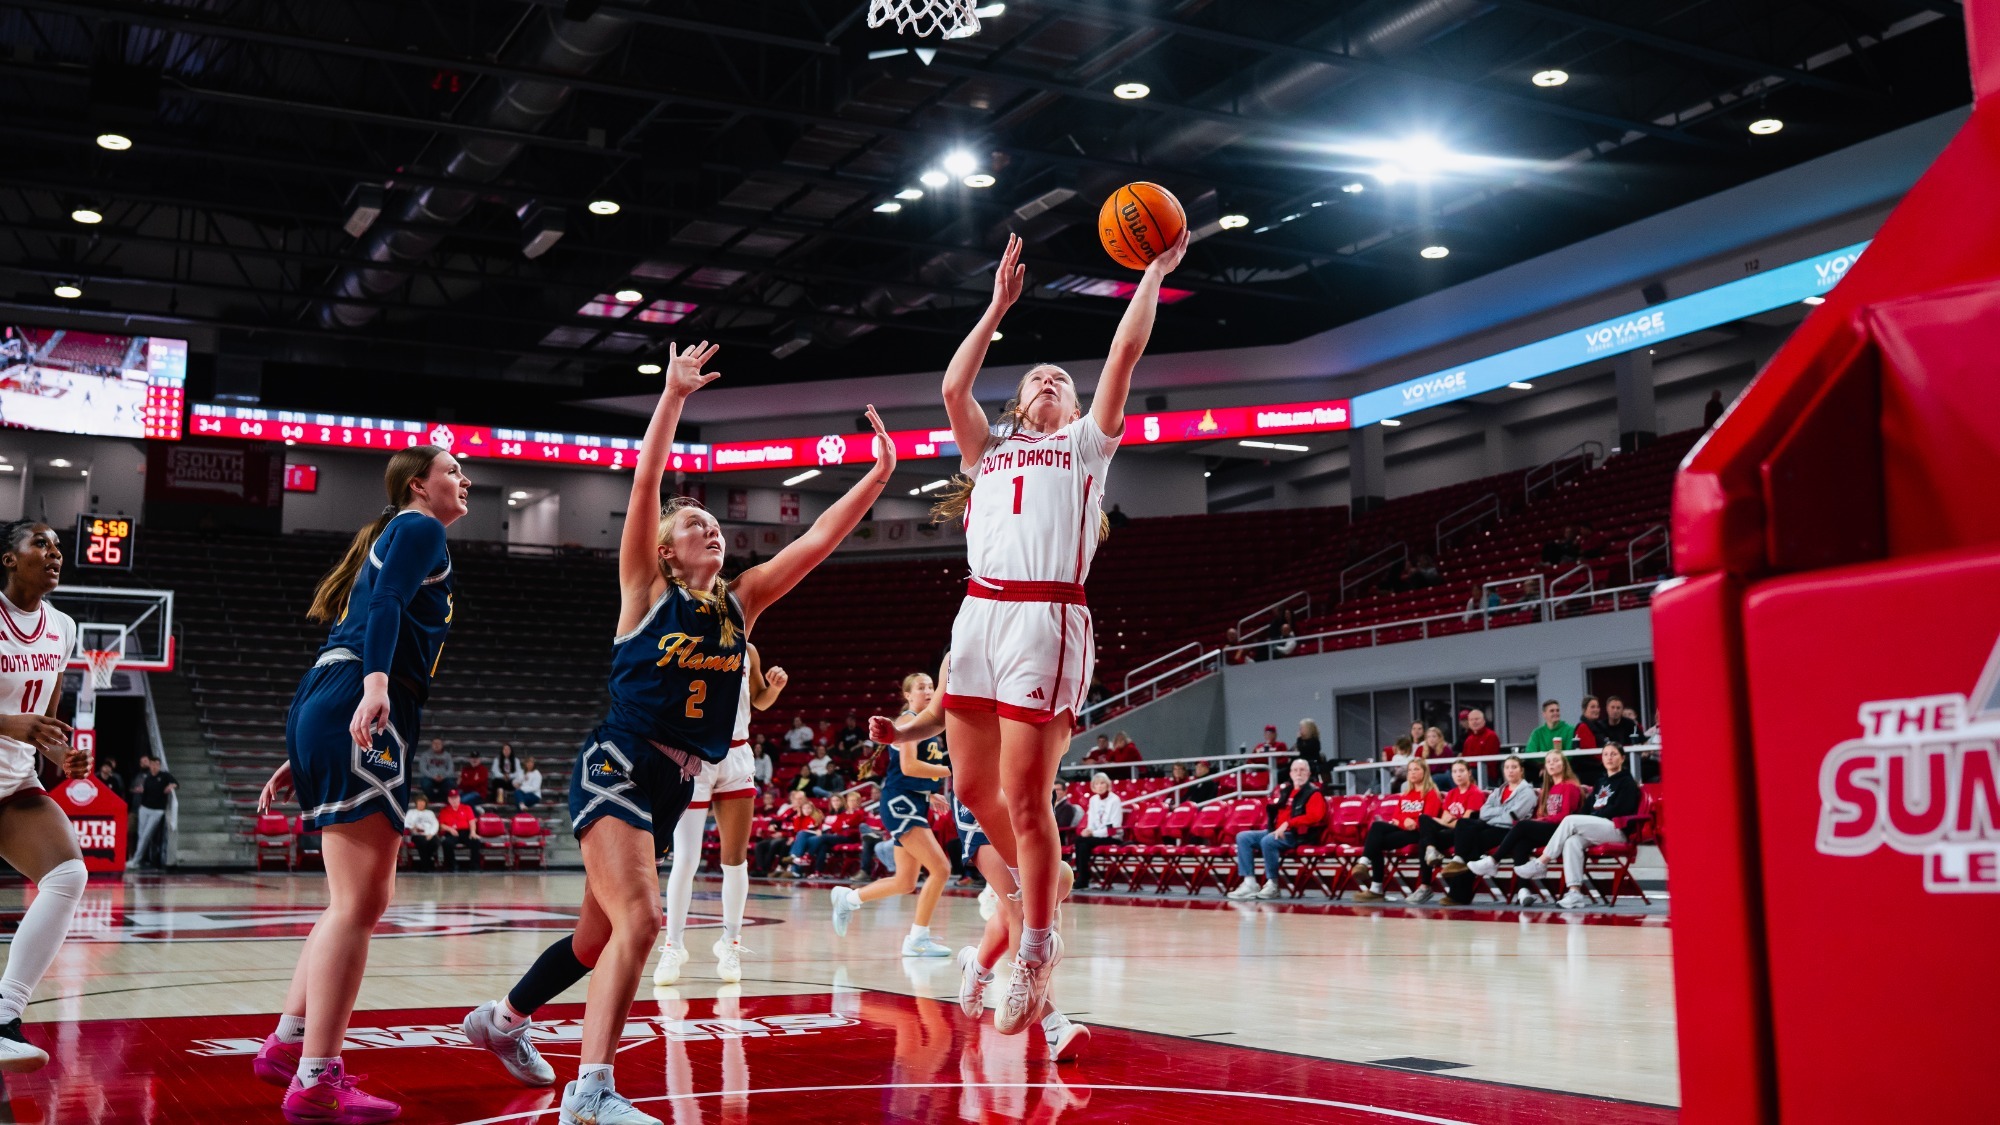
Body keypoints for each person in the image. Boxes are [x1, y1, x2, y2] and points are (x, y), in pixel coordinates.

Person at [464, 342, 895, 1125]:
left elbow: (817, 541)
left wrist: (876, 476)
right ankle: (589, 1095)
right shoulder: (643, 585)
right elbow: (647, 482)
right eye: (697, 526)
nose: (714, 532)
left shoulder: (741, 603)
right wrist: (671, 398)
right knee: (644, 922)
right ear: (666, 548)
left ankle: (502, 1019)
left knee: (595, 941)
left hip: (676, 780)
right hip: (618, 762)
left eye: (717, 525)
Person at [931, 228, 1185, 1036]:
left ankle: (1036, 946)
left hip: (1047, 616)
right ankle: (1032, 887)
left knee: (1023, 796)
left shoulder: (1084, 447)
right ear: (1020, 402)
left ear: (1075, 410)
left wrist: (1149, 274)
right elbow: (950, 389)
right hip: (977, 612)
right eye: (1036, 378)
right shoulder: (991, 449)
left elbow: (1124, 354)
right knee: (973, 791)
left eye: (1059, 381)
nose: (1048, 382)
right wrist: (997, 307)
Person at [249, 441, 469, 1120]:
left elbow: (371, 613)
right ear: (416, 486)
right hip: (362, 696)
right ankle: (317, 1077)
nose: (463, 481)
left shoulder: (394, 533)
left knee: (351, 897)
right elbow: (388, 608)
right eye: (452, 472)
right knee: (362, 902)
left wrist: (313, 738)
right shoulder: (420, 526)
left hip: (329, 701)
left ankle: (290, 1042)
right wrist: (373, 688)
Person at [0, 520, 92, 1071]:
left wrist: (61, 755)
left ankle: (4, 1015)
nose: (55, 552)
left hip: (13, 783)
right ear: (10, 559)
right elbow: (21, 721)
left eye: (58, 546)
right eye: (41, 544)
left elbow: (49, 723)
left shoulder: (63, 626)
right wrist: (12, 725)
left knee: (68, 873)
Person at [655, 642, 786, 986]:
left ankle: (730, 942)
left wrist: (773, 689)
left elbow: (758, 700)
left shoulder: (750, 650)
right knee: (685, 859)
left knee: (735, 860)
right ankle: (673, 945)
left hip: (737, 755)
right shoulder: (682, 645)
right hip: (694, 756)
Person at [833, 671, 954, 957]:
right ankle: (917, 939)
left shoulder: (929, 726)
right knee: (941, 869)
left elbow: (909, 771)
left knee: (905, 882)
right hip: (901, 804)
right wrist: (954, 771)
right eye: (921, 687)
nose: (928, 691)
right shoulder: (908, 722)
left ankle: (848, 899)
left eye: (931, 686)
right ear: (908, 695)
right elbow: (910, 767)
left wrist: (930, 791)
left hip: (914, 800)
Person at [1512, 743, 1642, 909]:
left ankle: (1542, 862)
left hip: (1616, 828)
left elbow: (1621, 808)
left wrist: (1592, 817)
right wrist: (1589, 817)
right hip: (1597, 827)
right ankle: (1575, 893)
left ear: (1622, 758)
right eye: (1606, 754)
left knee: (1570, 820)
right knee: (1571, 841)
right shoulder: (1601, 780)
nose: (1609, 758)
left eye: (1614, 754)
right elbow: (1587, 807)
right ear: (1601, 759)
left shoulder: (1627, 782)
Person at [1466, 750, 1586, 890]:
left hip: (1562, 830)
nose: (1552, 764)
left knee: (1522, 826)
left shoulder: (1570, 787)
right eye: (1549, 762)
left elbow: (1564, 817)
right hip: (1550, 828)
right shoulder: (1550, 788)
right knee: (1521, 843)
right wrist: (1541, 819)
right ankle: (1524, 891)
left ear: (1564, 765)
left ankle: (1493, 861)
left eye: (1556, 761)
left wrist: (1540, 820)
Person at [1227, 758, 1324, 899]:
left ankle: (1273, 884)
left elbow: (1315, 816)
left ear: (1309, 774)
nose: (1299, 773)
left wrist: (1288, 824)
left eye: (1302, 770)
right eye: (1295, 770)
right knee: (1243, 837)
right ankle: (1249, 883)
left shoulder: (1314, 793)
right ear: (1290, 773)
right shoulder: (1285, 791)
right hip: (1277, 831)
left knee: (1268, 840)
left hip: (1298, 834)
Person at [1351, 759, 1441, 903]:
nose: (1412, 773)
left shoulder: (1431, 793)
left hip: (1419, 833)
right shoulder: (1406, 793)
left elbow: (1428, 819)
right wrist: (1404, 821)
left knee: (1376, 841)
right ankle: (1364, 866)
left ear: (1425, 772)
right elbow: (1396, 816)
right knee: (1377, 827)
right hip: (1404, 829)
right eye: (1410, 770)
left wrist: (1409, 821)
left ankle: (1375, 886)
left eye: (1416, 769)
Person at [1068, 772, 1122, 888]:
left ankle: (1083, 877)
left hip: (1112, 836)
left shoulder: (1115, 800)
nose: (1100, 786)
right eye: (1097, 784)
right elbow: (1091, 822)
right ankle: (1083, 877)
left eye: (1102, 783)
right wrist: (1088, 831)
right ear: (1093, 786)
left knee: (1081, 842)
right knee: (1081, 843)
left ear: (1108, 785)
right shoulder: (1093, 800)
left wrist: (1093, 833)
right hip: (1095, 837)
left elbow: (1114, 827)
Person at [753, 792, 821, 875]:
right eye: (796, 799)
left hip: (792, 836)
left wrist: (785, 834)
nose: (798, 801)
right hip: (783, 834)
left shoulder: (807, 811)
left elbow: (802, 830)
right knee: (760, 845)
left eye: (800, 799)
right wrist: (772, 824)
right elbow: (778, 818)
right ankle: (760, 868)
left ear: (805, 799)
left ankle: (770, 869)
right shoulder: (790, 810)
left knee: (776, 844)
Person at [133, 752, 178, 868]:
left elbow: (176, 783)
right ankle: (141, 859)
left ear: (159, 765)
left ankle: (135, 860)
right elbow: (146, 792)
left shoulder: (164, 775)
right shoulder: (147, 777)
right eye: (153, 764)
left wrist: (171, 786)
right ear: (150, 765)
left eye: (157, 764)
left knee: (146, 835)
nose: (155, 766)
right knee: (141, 834)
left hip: (157, 810)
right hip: (144, 808)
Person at [437, 789, 479, 870]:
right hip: (451, 832)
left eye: (456, 798)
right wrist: (450, 829)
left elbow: (472, 821)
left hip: (465, 831)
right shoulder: (444, 810)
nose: (454, 800)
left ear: (459, 798)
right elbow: (441, 825)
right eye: (452, 798)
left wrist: (473, 832)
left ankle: (474, 866)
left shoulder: (467, 808)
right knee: (447, 843)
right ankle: (452, 866)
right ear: (448, 799)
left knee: (475, 841)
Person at [406, 793, 441, 871]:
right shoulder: (411, 812)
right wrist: (412, 827)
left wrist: (431, 834)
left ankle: (425, 863)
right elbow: (406, 823)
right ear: (416, 803)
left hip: (429, 834)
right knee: (422, 842)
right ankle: (427, 866)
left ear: (426, 803)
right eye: (419, 802)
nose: (421, 804)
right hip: (417, 835)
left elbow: (435, 824)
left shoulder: (430, 813)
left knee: (435, 843)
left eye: (423, 802)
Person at [417, 737, 454, 803]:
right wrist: (433, 776)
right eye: (434, 743)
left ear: (442, 745)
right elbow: (422, 769)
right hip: (430, 778)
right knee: (425, 784)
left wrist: (443, 776)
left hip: (444, 778)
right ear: (431, 745)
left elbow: (451, 769)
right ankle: (432, 800)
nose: (436, 745)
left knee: (450, 784)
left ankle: (441, 800)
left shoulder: (447, 755)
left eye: (438, 743)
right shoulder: (425, 755)